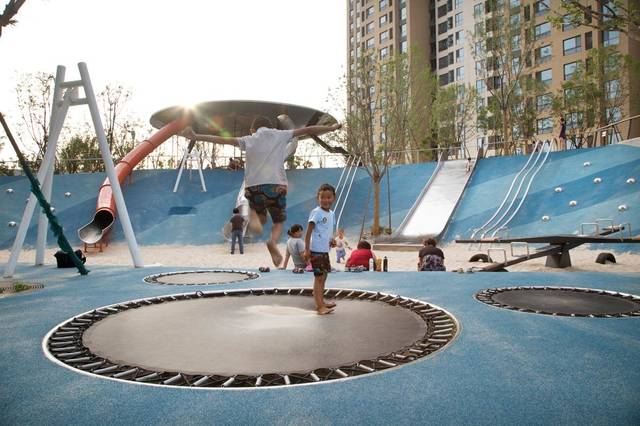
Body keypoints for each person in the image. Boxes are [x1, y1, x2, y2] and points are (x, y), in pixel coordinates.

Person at [184, 117, 341, 266]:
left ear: (253, 129)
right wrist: (331, 128)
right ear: (271, 127)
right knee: (278, 222)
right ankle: (271, 241)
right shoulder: (280, 135)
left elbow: (224, 140)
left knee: (261, 220)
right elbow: (308, 129)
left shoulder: (249, 139)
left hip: (254, 187)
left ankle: (253, 215)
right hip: (275, 185)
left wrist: (196, 136)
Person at [303, 183, 337, 315]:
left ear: (333, 198)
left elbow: (328, 230)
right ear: (318, 198)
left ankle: (321, 302)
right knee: (319, 278)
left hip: (325, 250)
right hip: (316, 250)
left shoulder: (332, 214)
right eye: (322, 197)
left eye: (328, 197)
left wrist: (332, 240)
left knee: (324, 276)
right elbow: (308, 231)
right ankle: (319, 306)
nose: (325, 200)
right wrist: (307, 250)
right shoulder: (316, 212)